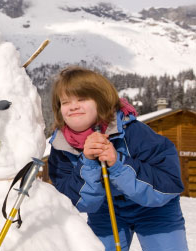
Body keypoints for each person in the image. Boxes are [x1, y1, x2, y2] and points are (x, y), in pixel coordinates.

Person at [48, 66, 188, 251]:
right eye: (65, 102)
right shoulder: (62, 147)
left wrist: (118, 164)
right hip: (106, 210)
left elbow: (168, 185)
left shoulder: (134, 133)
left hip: (156, 211)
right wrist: (88, 163)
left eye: (82, 99)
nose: (73, 106)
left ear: (102, 101)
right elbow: (76, 202)